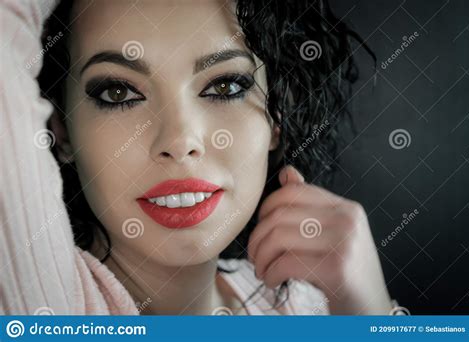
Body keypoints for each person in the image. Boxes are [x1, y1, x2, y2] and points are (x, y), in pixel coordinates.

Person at [0, 0, 397, 315]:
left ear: (277, 115)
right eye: (118, 93)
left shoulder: (311, 306)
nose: (180, 139)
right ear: (63, 132)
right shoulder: (44, 306)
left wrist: (373, 316)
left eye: (224, 85)